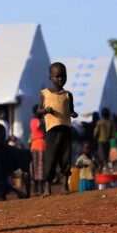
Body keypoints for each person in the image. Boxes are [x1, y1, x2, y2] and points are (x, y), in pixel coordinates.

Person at [38, 62, 78, 196]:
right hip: (52, 131)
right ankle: (47, 187)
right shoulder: (45, 94)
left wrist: (73, 114)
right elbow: (38, 110)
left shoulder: (68, 95)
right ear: (50, 77)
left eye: (63, 76)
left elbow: (71, 110)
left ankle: (64, 186)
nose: (61, 79)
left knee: (66, 158)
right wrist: (45, 110)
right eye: (57, 76)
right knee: (50, 159)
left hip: (66, 129)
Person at [29, 105, 47, 196]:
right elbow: (44, 132)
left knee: (34, 167)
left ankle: (34, 188)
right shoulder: (40, 122)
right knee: (41, 167)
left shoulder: (32, 121)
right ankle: (41, 189)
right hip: (41, 145)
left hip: (34, 145)